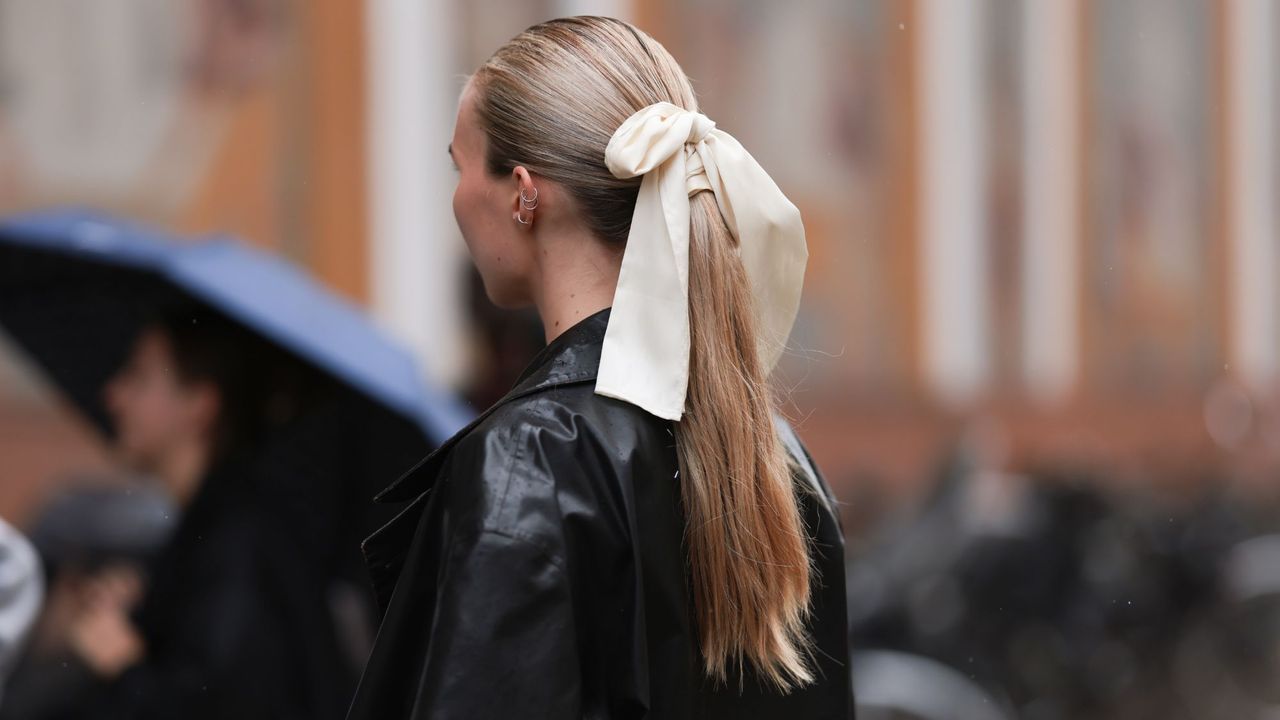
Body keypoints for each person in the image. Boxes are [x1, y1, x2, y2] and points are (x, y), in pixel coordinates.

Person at [347, 16, 851, 720]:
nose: (456, 197)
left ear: (524, 192)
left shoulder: (533, 458)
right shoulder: (776, 455)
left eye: (457, 166)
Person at [5, 306, 361, 720]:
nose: (114, 395)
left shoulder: (240, 540)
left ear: (199, 405)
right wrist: (138, 618)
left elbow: (225, 700)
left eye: (139, 375)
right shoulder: (215, 526)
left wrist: (121, 663)